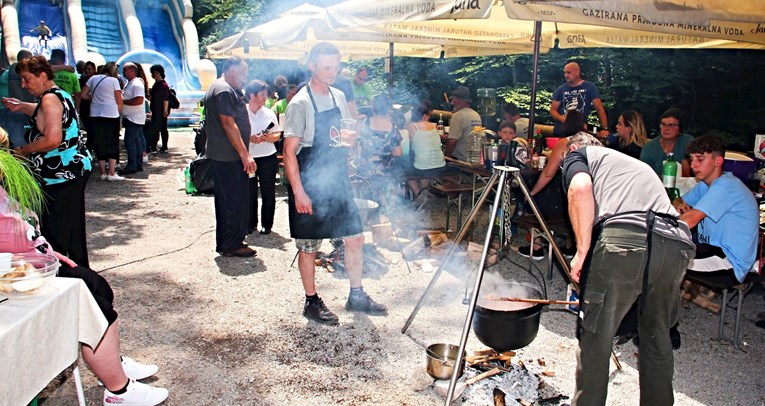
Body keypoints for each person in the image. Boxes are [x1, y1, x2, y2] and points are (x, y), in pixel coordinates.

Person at [0, 145, 168, 405]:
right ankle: (118, 391)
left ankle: (112, 364)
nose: (10, 157)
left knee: (97, 285)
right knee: (93, 301)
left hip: (37, 265)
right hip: (18, 280)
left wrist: (48, 252)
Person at [561, 132, 694, 405]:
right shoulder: (634, 165)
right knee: (656, 337)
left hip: (627, 240)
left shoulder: (579, 155)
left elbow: (581, 188)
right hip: (675, 244)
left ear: (574, 148)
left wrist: (582, 252)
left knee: (595, 339)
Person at [283, 42, 387, 325]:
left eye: (336, 67)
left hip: (337, 181)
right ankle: (311, 301)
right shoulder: (300, 103)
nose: (332, 72)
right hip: (310, 183)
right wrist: (299, 192)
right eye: (326, 67)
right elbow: (289, 151)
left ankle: (356, 295)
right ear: (312, 66)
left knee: (355, 238)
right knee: (309, 246)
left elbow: (343, 134)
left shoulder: (340, 96)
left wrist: (349, 142)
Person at [2, 56, 94, 267]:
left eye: (26, 79)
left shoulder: (49, 99)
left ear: (42, 76)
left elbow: (52, 139)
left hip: (61, 174)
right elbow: (44, 112)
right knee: (73, 230)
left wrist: (22, 151)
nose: (24, 85)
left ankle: (61, 273)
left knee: (57, 231)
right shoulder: (58, 94)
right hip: (73, 169)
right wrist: (21, 106)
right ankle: (80, 272)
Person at [674, 135, 759, 284]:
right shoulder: (706, 184)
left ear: (718, 161)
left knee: (663, 261)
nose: (693, 165)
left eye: (700, 159)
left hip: (729, 262)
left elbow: (689, 220)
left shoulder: (726, 186)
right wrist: (680, 204)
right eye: (691, 159)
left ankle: (659, 306)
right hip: (710, 250)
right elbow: (678, 200)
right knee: (662, 254)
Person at [203, 57, 256, 257]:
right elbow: (227, 123)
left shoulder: (220, 87)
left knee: (228, 200)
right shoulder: (224, 89)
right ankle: (232, 244)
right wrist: (245, 154)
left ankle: (226, 243)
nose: (245, 78)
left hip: (226, 156)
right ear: (230, 69)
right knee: (234, 201)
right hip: (229, 157)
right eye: (242, 73)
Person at [521, 110, 588, 260]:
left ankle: (536, 246)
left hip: (572, 199)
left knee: (528, 199)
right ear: (585, 126)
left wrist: (531, 194)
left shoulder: (566, 142)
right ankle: (570, 246)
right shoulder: (596, 142)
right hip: (593, 198)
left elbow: (547, 174)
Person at [245, 79, 281, 236]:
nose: (265, 98)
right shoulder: (242, 112)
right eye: (263, 95)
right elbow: (235, 135)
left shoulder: (268, 113)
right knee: (249, 192)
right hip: (248, 157)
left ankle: (267, 224)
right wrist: (250, 138)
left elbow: (278, 134)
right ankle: (250, 223)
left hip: (268, 157)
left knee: (268, 192)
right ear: (252, 95)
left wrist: (266, 138)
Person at [82, 62, 123, 181]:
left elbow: (83, 94)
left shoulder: (93, 79)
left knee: (99, 141)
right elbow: (119, 100)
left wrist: (94, 98)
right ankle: (111, 172)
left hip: (95, 113)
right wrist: (119, 113)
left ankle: (102, 172)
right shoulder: (114, 81)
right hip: (111, 113)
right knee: (112, 141)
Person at [550, 62, 608, 139]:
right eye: (565, 73)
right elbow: (553, 110)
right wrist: (563, 119)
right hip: (561, 131)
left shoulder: (589, 87)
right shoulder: (560, 89)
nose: (566, 75)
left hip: (580, 131)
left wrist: (604, 128)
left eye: (569, 72)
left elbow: (599, 109)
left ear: (577, 72)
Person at [406, 99, 447, 202]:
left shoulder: (411, 126)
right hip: (440, 165)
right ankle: (424, 191)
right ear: (425, 115)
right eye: (429, 114)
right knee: (426, 164)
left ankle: (419, 196)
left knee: (406, 172)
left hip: (422, 166)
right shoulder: (435, 126)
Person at [358, 94, 403, 178]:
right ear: (387, 109)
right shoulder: (392, 127)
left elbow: (356, 146)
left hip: (365, 171)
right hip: (384, 173)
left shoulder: (364, 123)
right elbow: (398, 153)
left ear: (372, 107)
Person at [640, 107, 693, 177]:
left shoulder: (687, 141)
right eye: (663, 124)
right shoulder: (649, 148)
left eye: (670, 125)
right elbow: (645, 175)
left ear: (679, 128)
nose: (666, 128)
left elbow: (688, 175)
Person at [0, 49, 35, 147]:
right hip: (24, 109)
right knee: (23, 136)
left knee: (14, 135)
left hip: (11, 108)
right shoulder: (26, 71)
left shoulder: (10, 70)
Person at [120, 62, 147, 175]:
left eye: (125, 70)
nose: (123, 72)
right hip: (132, 117)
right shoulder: (131, 83)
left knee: (130, 141)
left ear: (132, 70)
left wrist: (122, 102)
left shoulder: (136, 84)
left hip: (134, 118)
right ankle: (137, 164)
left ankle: (132, 165)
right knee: (135, 141)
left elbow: (139, 100)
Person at [445, 85, 482, 161]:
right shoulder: (476, 115)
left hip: (460, 160)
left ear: (459, 100)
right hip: (474, 159)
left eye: (453, 100)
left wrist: (446, 156)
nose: (452, 103)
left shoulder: (458, 116)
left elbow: (452, 142)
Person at [146, 64, 170, 153]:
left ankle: (158, 146)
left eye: (156, 72)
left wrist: (165, 109)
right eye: (153, 72)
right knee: (161, 128)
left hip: (160, 110)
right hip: (156, 110)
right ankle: (158, 146)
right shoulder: (156, 84)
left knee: (157, 128)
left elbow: (165, 98)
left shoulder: (162, 85)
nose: (154, 74)